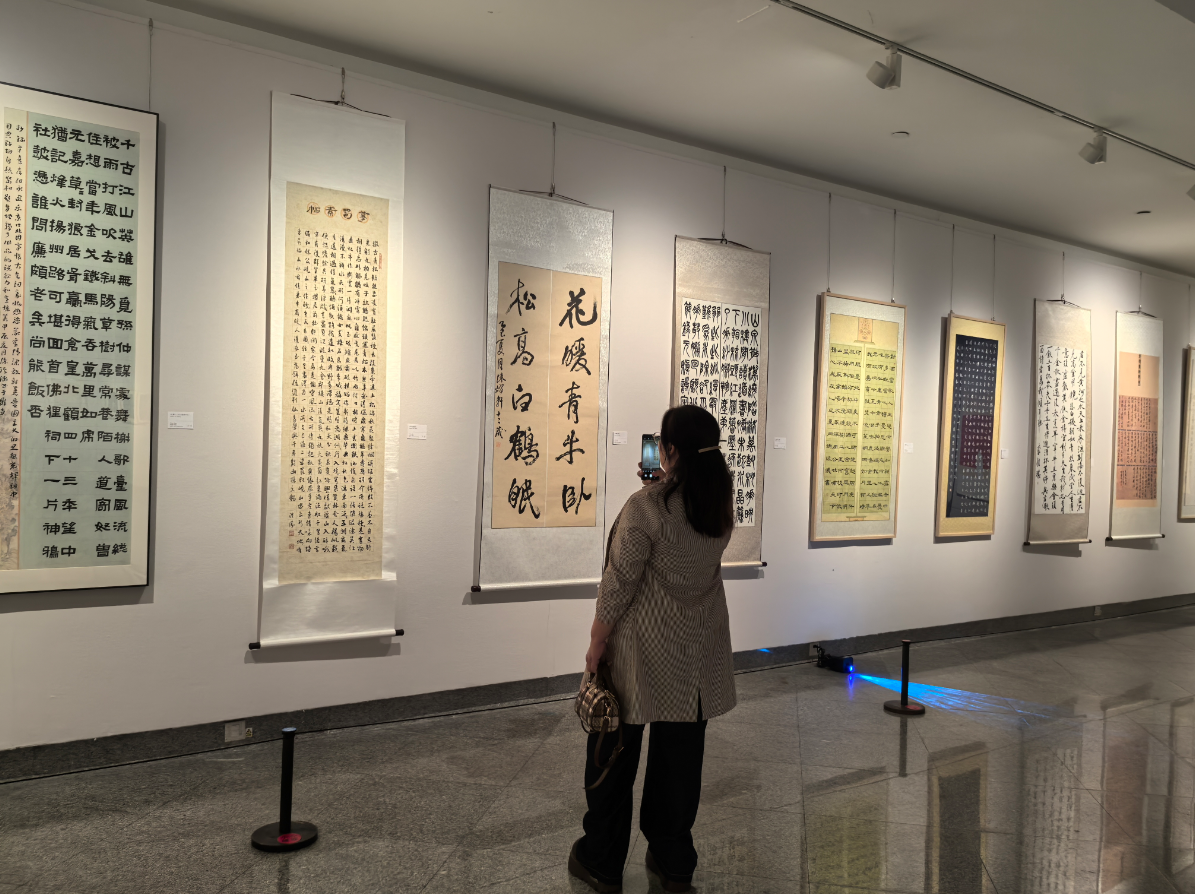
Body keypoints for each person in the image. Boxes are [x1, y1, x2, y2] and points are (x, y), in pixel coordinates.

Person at [568, 404, 737, 894]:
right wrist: (669, 485)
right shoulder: (719, 505)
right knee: (680, 761)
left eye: (662, 444)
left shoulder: (646, 508)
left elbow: (619, 582)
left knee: (614, 753)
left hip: (640, 651)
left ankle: (602, 859)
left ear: (671, 450)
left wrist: (596, 642)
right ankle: (673, 858)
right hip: (696, 653)